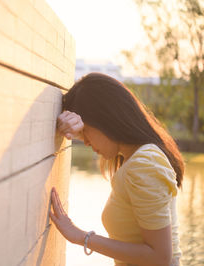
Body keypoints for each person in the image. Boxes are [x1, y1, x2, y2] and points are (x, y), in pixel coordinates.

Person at [50, 73, 184, 266]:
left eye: (85, 130)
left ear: (105, 120)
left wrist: (80, 236)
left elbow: (160, 257)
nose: (86, 141)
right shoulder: (140, 158)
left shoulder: (144, 164)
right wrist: (74, 127)